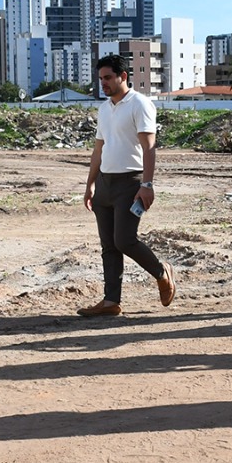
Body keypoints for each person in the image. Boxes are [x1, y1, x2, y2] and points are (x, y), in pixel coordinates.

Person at [79, 53, 176, 317]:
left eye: (108, 77)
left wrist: (147, 184)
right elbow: (98, 149)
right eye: (101, 78)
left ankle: (161, 272)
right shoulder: (104, 108)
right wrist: (90, 184)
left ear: (123, 76)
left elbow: (149, 147)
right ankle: (111, 301)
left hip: (130, 183)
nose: (103, 83)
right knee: (108, 246)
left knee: (124, 240)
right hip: (105, 183)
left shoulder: (140, 104)